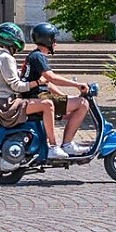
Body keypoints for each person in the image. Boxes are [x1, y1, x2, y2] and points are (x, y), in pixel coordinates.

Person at [0, 21, 75, 160]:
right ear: (10, 38)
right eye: (17, 36)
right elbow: (16, 86)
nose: (20, 39)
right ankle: (53, 147)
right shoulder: (6, 58)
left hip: (6, 102)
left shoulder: (4, 57)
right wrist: (37, 82)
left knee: (49, 105)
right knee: (48, 105)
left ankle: (47, 142)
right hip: (7, 105)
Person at [24, 23, 90, 155]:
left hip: (39, 95)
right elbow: (51, 77)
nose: (56, 43)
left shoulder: (35, 56)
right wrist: (77, 85)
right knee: (83, 104)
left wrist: (64, 96)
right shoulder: (38, 56)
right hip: (38, 98)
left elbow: (47, 83)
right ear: (47, 40)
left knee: (75, 104)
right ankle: (66, 144)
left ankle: (64, 144)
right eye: (54, 39)